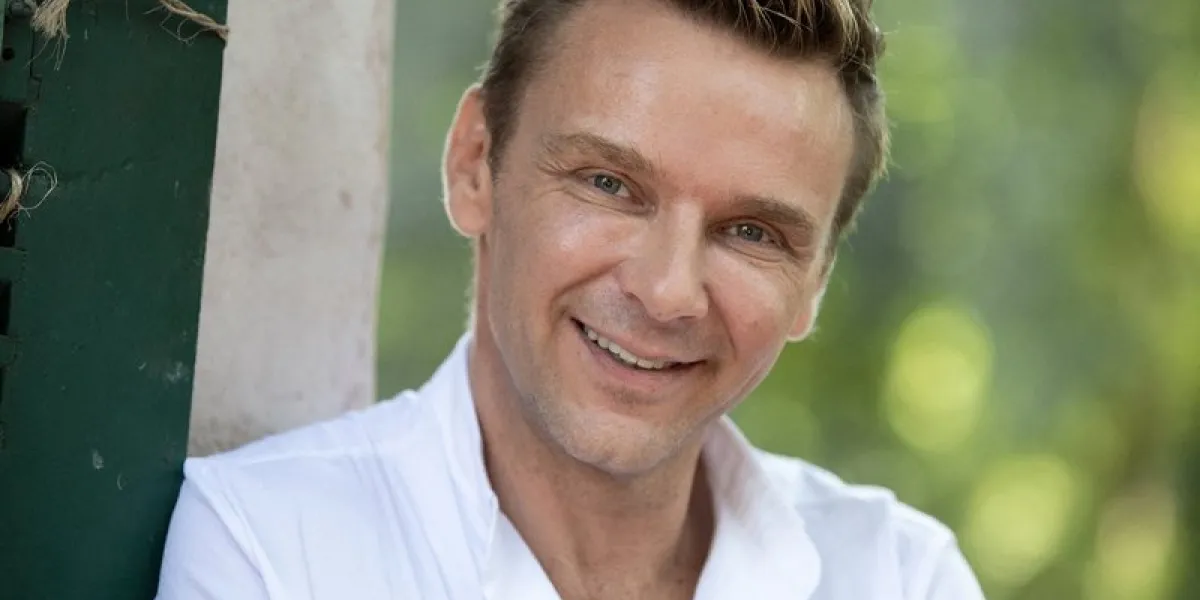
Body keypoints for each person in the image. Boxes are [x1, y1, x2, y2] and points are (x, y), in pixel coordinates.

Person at [156, 0, 987, 598]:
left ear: (818, 281)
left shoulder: (898, 574)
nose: (666, 293)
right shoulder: (268, 548)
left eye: (753, 234)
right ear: (476, 163)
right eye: (609, 184)